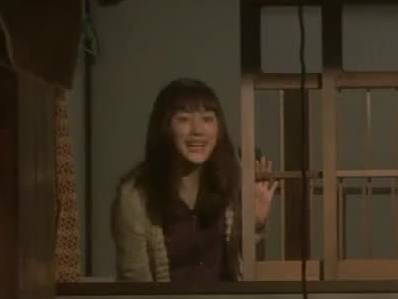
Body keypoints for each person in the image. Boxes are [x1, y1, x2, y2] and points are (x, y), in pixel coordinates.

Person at [112, 77, 277, 284]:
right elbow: (135, 286)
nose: (197, 130)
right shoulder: (134, 196)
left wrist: (254, 226)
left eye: (207, 119)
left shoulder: (230, 184)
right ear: (165, 127)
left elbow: (244, 279)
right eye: (184, 119)